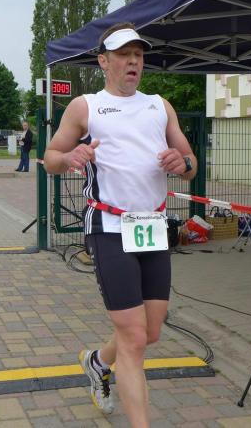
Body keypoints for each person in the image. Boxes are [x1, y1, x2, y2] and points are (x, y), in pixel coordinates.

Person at [43, 23, 197, 426]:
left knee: (150, 332)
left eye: (139, 55)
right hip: (109, 227)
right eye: (124, 55)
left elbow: (191, 164)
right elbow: (50, 158)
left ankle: (97, 362)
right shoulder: (86, 107)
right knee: (133, 338)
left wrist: (182, 162)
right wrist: (70, 157)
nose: (133, 62)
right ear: (103, 61)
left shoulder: (160, 106)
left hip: (151, 226)